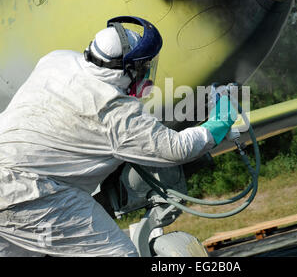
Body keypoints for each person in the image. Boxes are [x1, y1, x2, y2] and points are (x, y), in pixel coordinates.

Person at [0, 16, 237, 257]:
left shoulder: (56, 59)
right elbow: (178, 149)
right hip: (30, 193)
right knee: (121, 254)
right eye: (143, 67)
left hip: (10, 179)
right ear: (128, 69)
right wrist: (222, 116)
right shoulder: (114, 112)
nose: (146, 74)